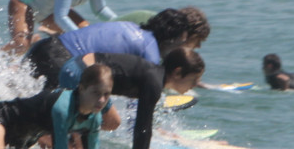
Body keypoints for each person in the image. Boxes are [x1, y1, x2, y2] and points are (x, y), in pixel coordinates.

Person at [26, 6, 210, 88]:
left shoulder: (149, 25)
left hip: (48, 47)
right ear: (182, 36)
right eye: (197, 41)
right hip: (62, 62)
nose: (198, 47)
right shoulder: (152, 46)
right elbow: (143, 94)